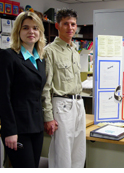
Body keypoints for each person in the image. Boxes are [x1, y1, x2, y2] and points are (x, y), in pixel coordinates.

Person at [0, 11, 46, 168]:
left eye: (35, 28)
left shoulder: (40, 59)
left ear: (40, 32)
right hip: (18, 128)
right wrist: (10, 130)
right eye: (26, 28)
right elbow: (3, 97)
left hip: (36, 127)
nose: (31, 32)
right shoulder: (8, 56)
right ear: (18, 31)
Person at [42, 9, 86, 168]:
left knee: (78, 152)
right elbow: (45, 87)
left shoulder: (74, 49)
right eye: (65, 24)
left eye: (73, 24)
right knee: (62, 153)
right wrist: (48, 117)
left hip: (78, 104)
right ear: (57, 26)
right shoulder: (50, 51)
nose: (70, 27)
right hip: (61, 105)